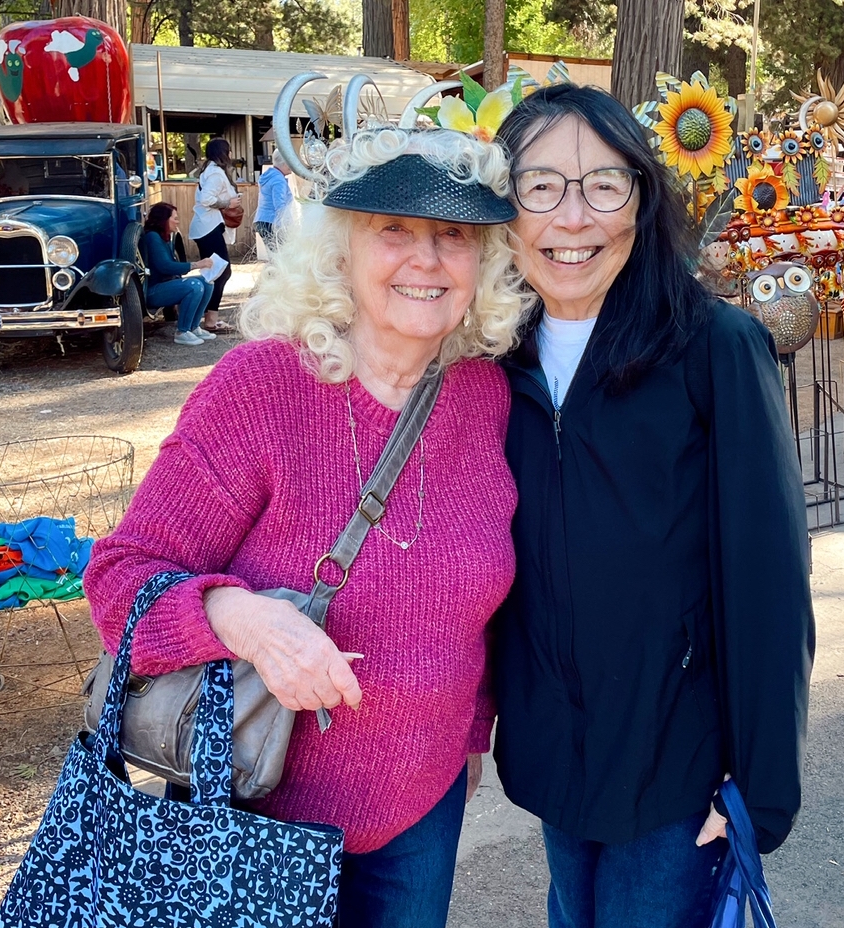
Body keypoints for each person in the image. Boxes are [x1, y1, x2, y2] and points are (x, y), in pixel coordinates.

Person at [84, 124, 528, 928]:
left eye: (453, 236)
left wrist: (467, 737)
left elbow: (481, 611)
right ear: (343, 250)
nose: (425, 260)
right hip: (252, 812)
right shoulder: (263, 387)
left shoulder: (484, 397)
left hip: (421, 810)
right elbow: (120, 580)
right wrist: (242, 619)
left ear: (484, 262)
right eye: (393, 229)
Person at [492, 83, 816, 928]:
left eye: (604, 184)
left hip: (677, 770)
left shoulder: (714, 348)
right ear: (506, 206)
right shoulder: (490, 362)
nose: (573, 218)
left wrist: (762, 785)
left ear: (641, 198)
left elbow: (768, 583)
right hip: (558, 765)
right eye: (541, 186)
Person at [142, 202, 215, 346]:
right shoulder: (152, 237)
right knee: (193, 286)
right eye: (174, 218)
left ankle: (193, 327)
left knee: (207, 281)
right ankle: (182, 331)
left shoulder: (165, 237)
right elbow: (165, 266)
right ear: (164, 220)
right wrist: (196, 265)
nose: (178, 222)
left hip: (165, 285)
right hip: (153, 290)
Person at [189, 137, 239, 332]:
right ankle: (209, 319)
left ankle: (207, 316)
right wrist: (229, 204)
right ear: (223, 153)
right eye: (229, 150)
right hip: (208, 226)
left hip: (206, 226)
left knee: (213, 271)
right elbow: (206, 199)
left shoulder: (209, 171)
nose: (232, 155)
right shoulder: (216, 173)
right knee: (220, 271)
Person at [253, 148, 294, 248]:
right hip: (272, 221)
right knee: (281, 256)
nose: (292, 166)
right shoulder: (278, 180)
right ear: (284, 163)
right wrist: (286, 226)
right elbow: (280, 205)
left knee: (274, 255)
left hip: (262, 220)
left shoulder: (270, 176)